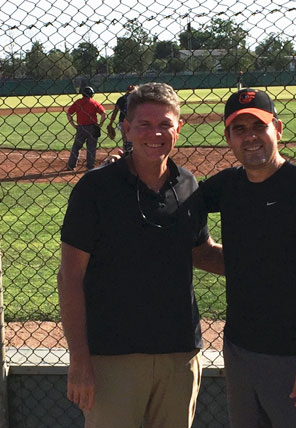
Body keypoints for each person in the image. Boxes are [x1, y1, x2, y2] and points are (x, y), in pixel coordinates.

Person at [58, 82, 224, 428]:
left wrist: (267, 261)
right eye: (144, 125)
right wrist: (79, 360)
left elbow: (201, 252)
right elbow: (70, 276)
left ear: (179, 127)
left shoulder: (187, 185)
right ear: (126, 129)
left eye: (164, 124)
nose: (155, 133)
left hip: (178, 354)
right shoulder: (95, 189)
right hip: (112, 357)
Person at [200, 88, 296, 428]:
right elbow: (178, 204)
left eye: (260, 126)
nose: (250, 137)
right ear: (228, 138)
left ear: (278, 130)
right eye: (240, 129)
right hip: (240, 352)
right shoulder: (227, 186)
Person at [66, 86, 106, 171]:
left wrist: (73, 125)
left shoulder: (78, 102)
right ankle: (90, 167)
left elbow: (68, 113)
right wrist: (100, 125)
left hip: (81, 128)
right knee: (91, 148)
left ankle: (71, 165)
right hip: (93, 127)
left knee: (76, 147)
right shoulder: (94, 102)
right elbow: (103, 114)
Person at [107, 84, 136, 154]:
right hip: (134, 121)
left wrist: (111, 123)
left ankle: (127, 154)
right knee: (134, 139)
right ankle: (133, 153)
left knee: (125, 138)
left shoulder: (121, 99)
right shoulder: (136, 99)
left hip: (122, 121)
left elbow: (115, 112)